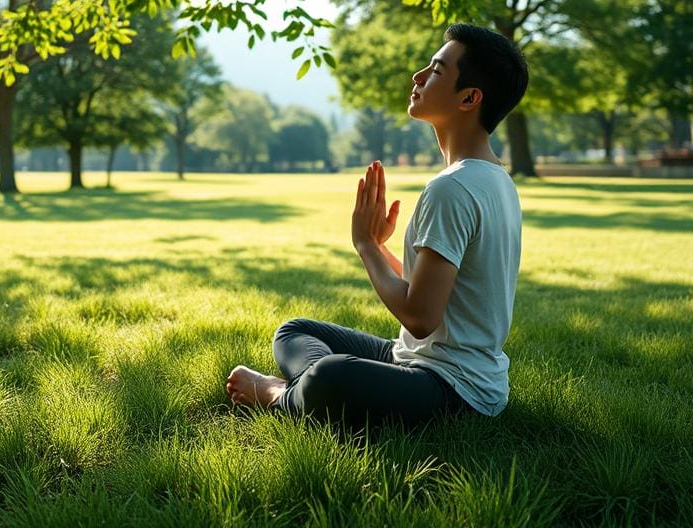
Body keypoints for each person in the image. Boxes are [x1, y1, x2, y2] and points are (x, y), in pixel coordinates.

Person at [226, 23, 529, 427]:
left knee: (331, 375)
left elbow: (421, 317)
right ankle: (311, 389)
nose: (418, 77)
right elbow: (443, 287)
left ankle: (278, 393)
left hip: (452, 387)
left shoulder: (452, 187)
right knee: (294, 331)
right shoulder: (495, 178)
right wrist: (383, 248)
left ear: (470, 98)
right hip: (426, 362)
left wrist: (366, 246)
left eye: (436, 71)